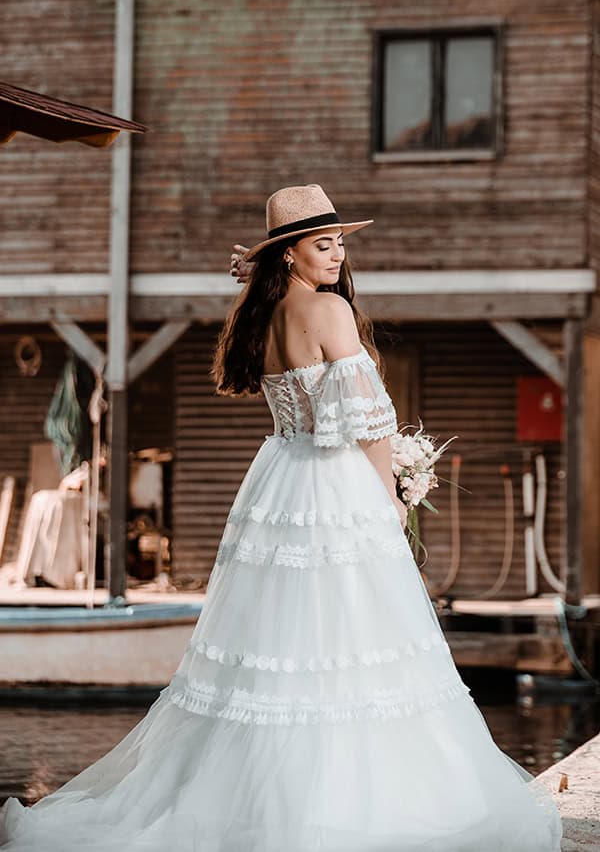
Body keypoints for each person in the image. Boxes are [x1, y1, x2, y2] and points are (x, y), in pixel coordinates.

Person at [0, 184, 562, 851]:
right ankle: (354, 808)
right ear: (291, 252)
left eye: (340, 242)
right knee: (356, 639)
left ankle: (261, 808)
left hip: (280, 479)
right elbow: (371, 420)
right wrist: (390, 499)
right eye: (323, 244)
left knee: (275, 647)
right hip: (334, 486)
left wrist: (265, 271)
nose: (338, 254)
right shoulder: (328, 310)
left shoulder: (262, 315)